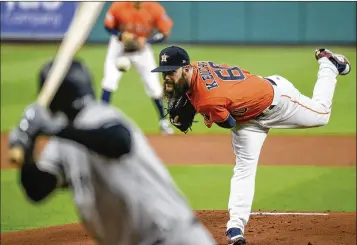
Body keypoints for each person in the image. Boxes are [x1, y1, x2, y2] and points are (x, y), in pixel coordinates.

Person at [151, 46, 351, 245]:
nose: (166, 77)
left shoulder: (208, 100)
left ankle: (328, 64)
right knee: (244, 168)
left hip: (278, 102)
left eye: (171, 72)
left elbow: (227, 122)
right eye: (164, 73)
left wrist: (197, 109)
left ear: (186, 69)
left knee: (322, 115)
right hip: (247, 118)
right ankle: (235, 227)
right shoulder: (196, 67)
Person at [8, 59, 217, 245]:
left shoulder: (99, 116)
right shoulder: (62, 142)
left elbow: (119, 142)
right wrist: (28, 153)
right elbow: (38, 190)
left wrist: (55, 129)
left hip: (172, 237)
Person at [101, 1, 174, 134]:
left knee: (154, 86)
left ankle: (164, 122)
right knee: (109, 81)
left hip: (142, 50)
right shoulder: (119, 5)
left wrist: (147, 41)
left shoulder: (154, 8)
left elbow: (164, 32)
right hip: (119, 47)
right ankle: (100, 121)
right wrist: (120, 35)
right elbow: (108, 25)